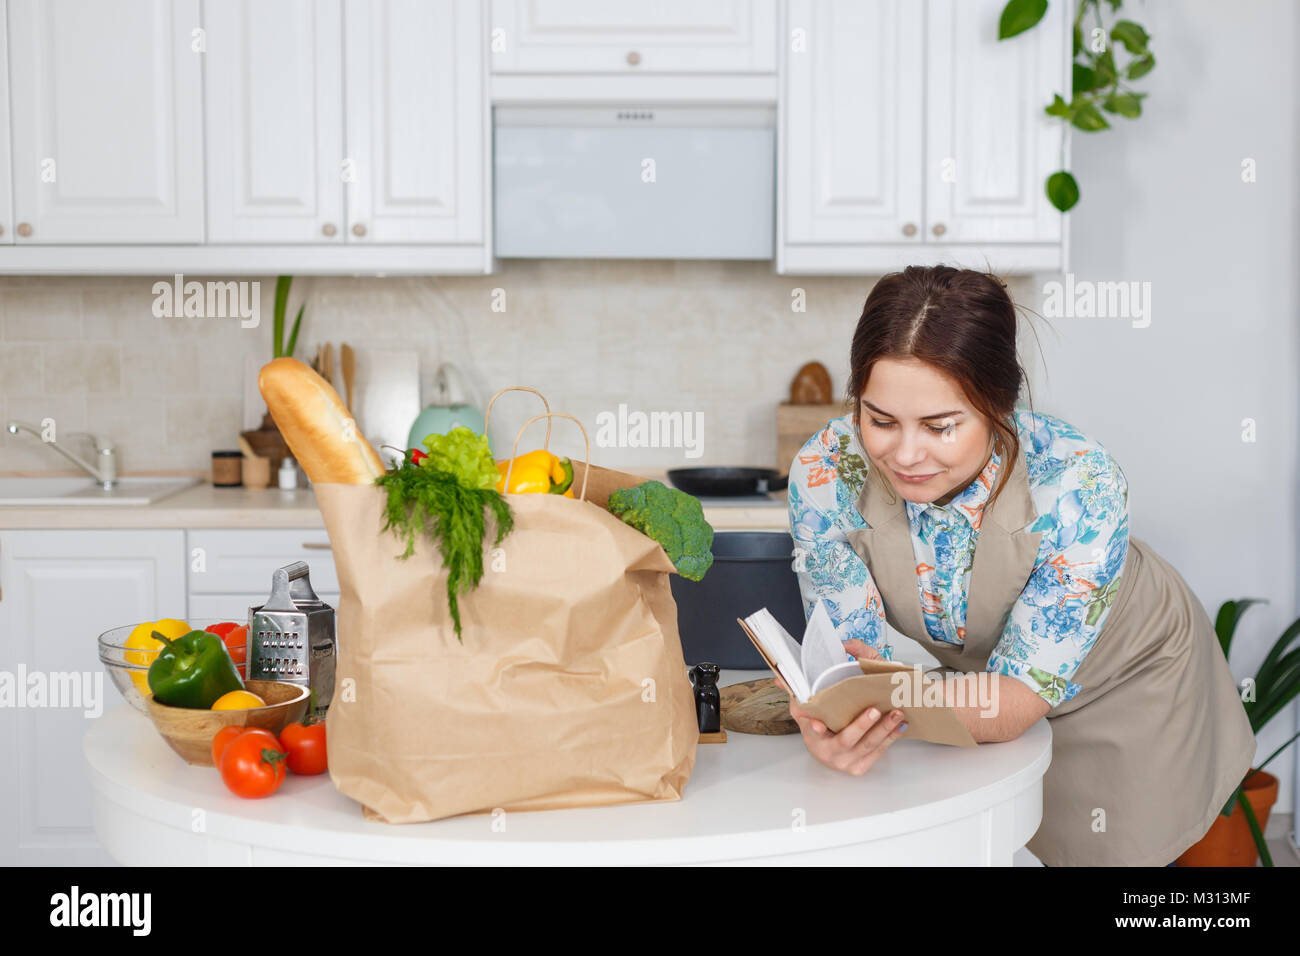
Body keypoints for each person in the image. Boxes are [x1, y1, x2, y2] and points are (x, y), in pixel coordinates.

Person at [784, 265, 1255, 866]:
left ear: (999, 406)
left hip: (1131, 676)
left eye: (940, 426)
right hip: (982, 689)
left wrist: (868, 705)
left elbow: (1010, 703)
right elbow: (856, 661)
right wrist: (829, 714)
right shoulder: (826, 474)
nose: (904, 454)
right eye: (880, 420)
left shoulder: (1079, 481)